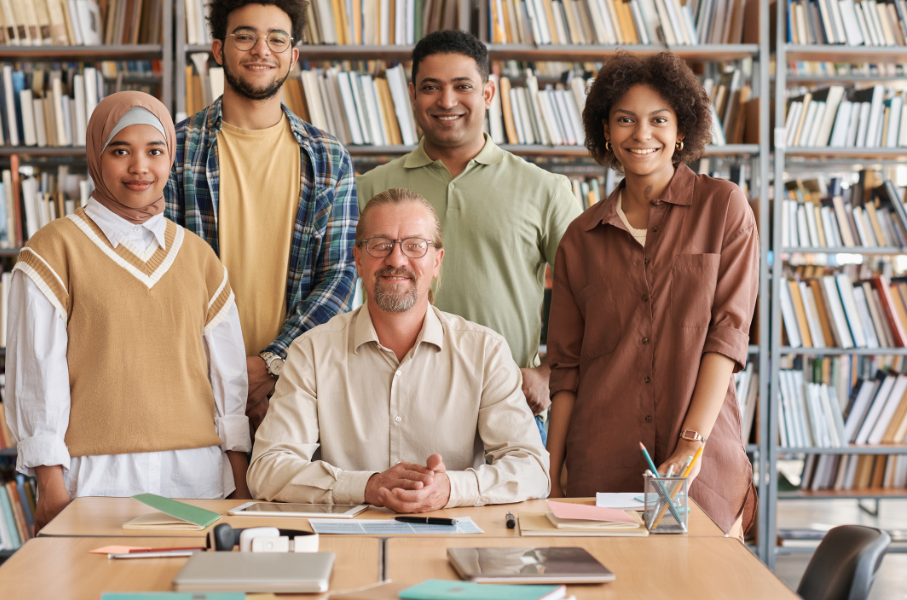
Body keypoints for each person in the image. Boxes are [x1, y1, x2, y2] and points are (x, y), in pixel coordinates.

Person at [5, 92, 250, 532]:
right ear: (96, 159)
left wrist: (238, 474)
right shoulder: (53, 249)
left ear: (170, 158)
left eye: (154, 151)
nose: (140, 167)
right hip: (96, 478)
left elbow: (228, 378)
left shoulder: (199, 257)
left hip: (196, 475)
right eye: (120, 151)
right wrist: (49, 481)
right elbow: (37, 373)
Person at [545, 52, 758, 538]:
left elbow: (727, 336)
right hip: (600, 467)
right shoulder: (580, 238)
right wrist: (551, 475)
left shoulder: (724, 207)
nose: (642, 135)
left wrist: (690, 445)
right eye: (625, 120)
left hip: (704, 473)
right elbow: (567, 369)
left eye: (658, 119)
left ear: (681, 129)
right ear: (606, 131)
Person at [247, 188, 550, 512]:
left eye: (415, 246)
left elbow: (533, 468)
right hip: (347, 547)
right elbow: (267, 470)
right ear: (359, 260)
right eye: (381, 245)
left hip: (455, 542)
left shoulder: (485, 351)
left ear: (437, 261)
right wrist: (367, 486)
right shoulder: (312, 351)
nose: (396, 259)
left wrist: (452, 489)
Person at [356, 31, 581, 442]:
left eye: (463, 86)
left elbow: (594, 291)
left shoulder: (546, 189)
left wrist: (552, 373)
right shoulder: (370, 188)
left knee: (514, 509)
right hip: (393, 402)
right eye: (431, 87)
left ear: (489, 93)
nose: (446, 101)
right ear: (412, 95)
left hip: (509, 401)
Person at [165, 0, 358, 431]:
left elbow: (340, 276)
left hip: (298, 387)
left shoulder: (328, 157)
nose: (261, 50)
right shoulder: (173, 150)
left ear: (293, 54)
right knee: (198, 502)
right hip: (191, 384)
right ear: (218, 49)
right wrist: (223, 369)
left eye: (277, 38)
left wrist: (271, 363)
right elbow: (162, 275)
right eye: (245, 36)